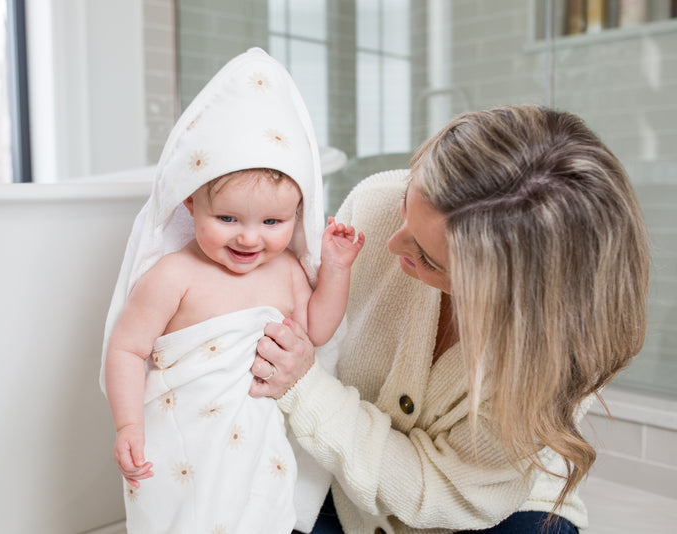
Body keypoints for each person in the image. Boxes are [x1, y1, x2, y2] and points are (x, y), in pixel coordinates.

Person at [251, 104, 651, 534]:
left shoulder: (558, 351)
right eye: (407, 205)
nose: (391, 243)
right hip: (339, 476)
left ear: (507, 294)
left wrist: (305, 389)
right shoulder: (373, 206)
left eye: (426, 257)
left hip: (483, 511)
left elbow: (436, 490)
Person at [99, 48, 363, 534]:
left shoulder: (285, 271)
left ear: (297, 215)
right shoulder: (175, 274)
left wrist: (338, 269)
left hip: (255, 445)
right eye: (227, 219)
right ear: (190, 203)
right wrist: (129, 426)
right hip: (180, 441)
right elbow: (126, 348)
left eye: (272, 221)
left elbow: (318, 332)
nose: (249, 237)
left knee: (258, 516)